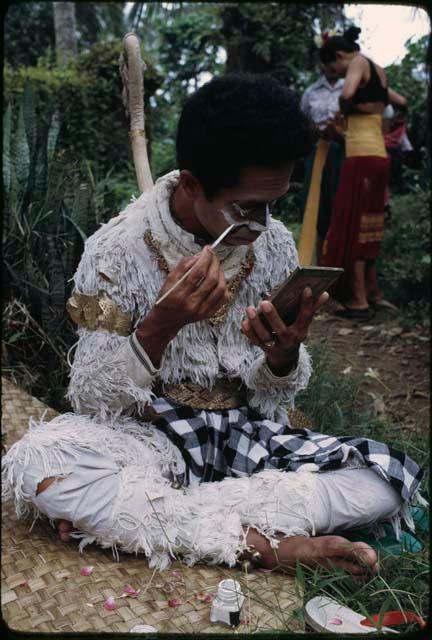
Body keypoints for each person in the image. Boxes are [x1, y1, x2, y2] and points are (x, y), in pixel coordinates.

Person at [2, 73, 424, 576]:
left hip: (250, 438)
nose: (263, 225)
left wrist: (283, 356)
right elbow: (91, 398)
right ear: (192, 183)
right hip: (152, 440)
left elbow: (273, 400)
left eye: (275, 203)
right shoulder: (115, 250)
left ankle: (150, 518)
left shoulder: (273, 245)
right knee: (41, 462)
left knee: (383, 479)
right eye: (247, 208)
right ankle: (272, 547)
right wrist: (161, 324)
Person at [319, 27, 402, 318]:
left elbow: (346, 94)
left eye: (335, 69)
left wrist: (345, 111)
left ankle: (358, 299)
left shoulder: (357, 62)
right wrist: (377, 117)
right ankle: (374, 293)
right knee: (371, 225)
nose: (339, 74)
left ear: (340, 55)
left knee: (353, 224)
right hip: (379, 156)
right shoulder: (379, 70)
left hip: (360, 158)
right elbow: (402, 103)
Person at [299, 61, 345, 265]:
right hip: (318, 151)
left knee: (340, 204)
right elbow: (302, 122)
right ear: (322, 63)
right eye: (329, 60)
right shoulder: (311, 91)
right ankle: (319, 262)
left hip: (344, 151)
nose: (333, 66)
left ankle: (340, 263)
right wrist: (314, 131)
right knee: (318, 206)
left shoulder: (349, 88)